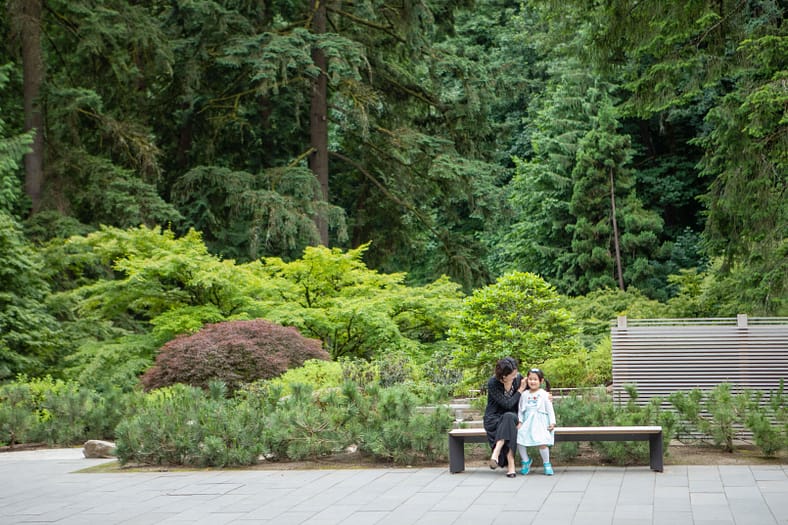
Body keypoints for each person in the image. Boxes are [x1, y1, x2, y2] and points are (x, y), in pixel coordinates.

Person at [483, 357, 527, 478]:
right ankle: (511, 464)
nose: (515, 375)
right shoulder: (493, 383)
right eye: (512, 374)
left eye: (515, 372)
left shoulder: (518, 378)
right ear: (503, 376)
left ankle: (496, 452)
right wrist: (520, 391)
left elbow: (534, 389)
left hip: (511, 416)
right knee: (508, 424)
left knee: (508, 417)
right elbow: (507, 404)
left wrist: (546, 395)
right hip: (494, 418)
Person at [516, 367, 556, 475]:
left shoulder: (544, 394)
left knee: (542, 443)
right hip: (527, 421)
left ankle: (547, 463)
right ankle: (526, 461)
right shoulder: (524, 394)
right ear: (527, 380)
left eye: (535, 379)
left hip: (540, 422)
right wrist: (520, 421)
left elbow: (549, 409)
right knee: (519, 438)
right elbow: (520, 410)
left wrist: (552, 423)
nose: (532, 382)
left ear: (541, 381)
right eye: (530, 379)